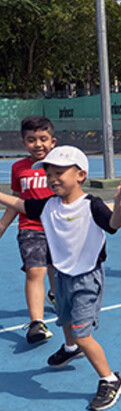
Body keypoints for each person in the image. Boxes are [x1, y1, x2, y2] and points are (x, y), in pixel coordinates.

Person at [0, 145, 121, 411]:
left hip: (87, 278)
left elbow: (114, 225)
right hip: (61, 276)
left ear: (81, 175)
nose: (52, 179)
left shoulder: (91, 204)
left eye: (59, 173)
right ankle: (71, 349)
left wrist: (118, 203)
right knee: (65, 319)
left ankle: (110, 379)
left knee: (83, 334)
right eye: (49, 174)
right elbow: (20, 204)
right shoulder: (48, 205)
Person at [0, 116, 57, 344]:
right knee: (35, 271)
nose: (38, 144)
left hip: (59, 227)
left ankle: (54, 294)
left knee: (56, 268)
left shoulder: (61, 166)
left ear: (53, 141)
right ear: (24, 143)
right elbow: (17, 200)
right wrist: (2, 225)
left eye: (43, 139)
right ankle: (36, 323)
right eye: (32, 140)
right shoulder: (18, 168)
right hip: (30, 228)